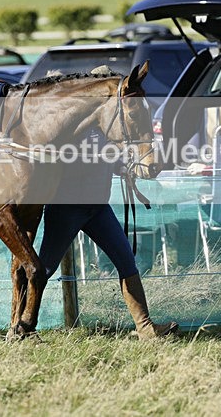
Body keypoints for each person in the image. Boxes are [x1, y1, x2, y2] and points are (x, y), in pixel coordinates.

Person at [37, 67, 178, 340]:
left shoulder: (109, 125)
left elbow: (113, 159)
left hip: (97, 207)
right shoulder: (74, 123)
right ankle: (22, 323)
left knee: (126, 261)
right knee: (43, 268)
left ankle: (145, 327)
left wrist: (128, 168)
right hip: (67, 208)